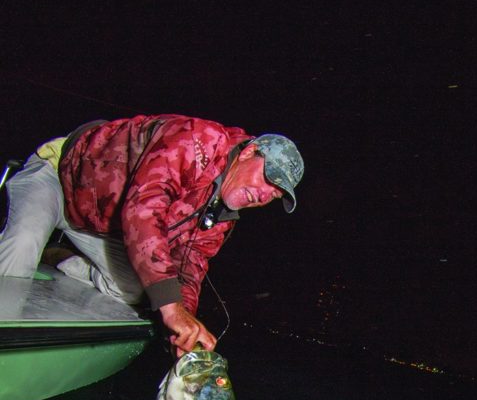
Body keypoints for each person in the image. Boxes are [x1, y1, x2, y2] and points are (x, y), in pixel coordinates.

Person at [0, 115, 303, 355]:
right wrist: (171, 308)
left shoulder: (222, 216)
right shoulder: (199, 140)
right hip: (58, 179)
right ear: (249, 152)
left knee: (142, 291)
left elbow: (189, 266)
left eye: (274, 195)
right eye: (268, 179)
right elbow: (143, 209)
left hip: (95, 227)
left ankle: (59, 255)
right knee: (23, 244)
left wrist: (182, 331)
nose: (263, 195)